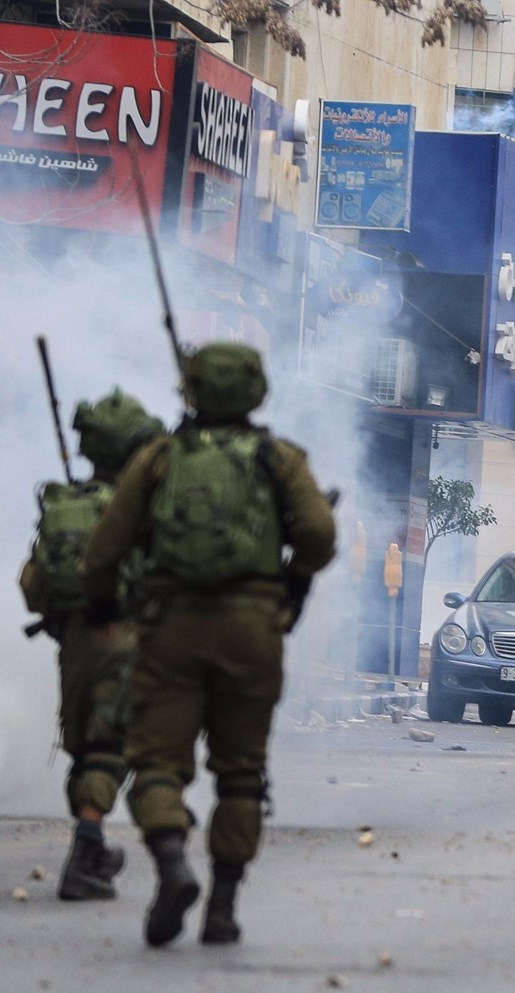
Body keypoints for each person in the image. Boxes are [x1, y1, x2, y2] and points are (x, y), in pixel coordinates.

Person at [82, 342, 336, 948]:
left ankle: (173, 865)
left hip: (172, 625)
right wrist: (291, 583)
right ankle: (222, 908)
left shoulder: (159, 458)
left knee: (157, 763)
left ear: (190, 392)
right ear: (257, 391)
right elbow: (320, 536)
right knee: (241, 773)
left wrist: (101, 608)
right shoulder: (279, 459)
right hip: (253, 628)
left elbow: (105, 547)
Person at [19, 389, 165, 900]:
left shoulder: (66, 508)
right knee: (110, 750)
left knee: (85, 750)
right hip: (126, 641)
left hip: (75, 646)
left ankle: (92, 848)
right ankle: (86, 853)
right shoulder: (139, 511)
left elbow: (33, 587)